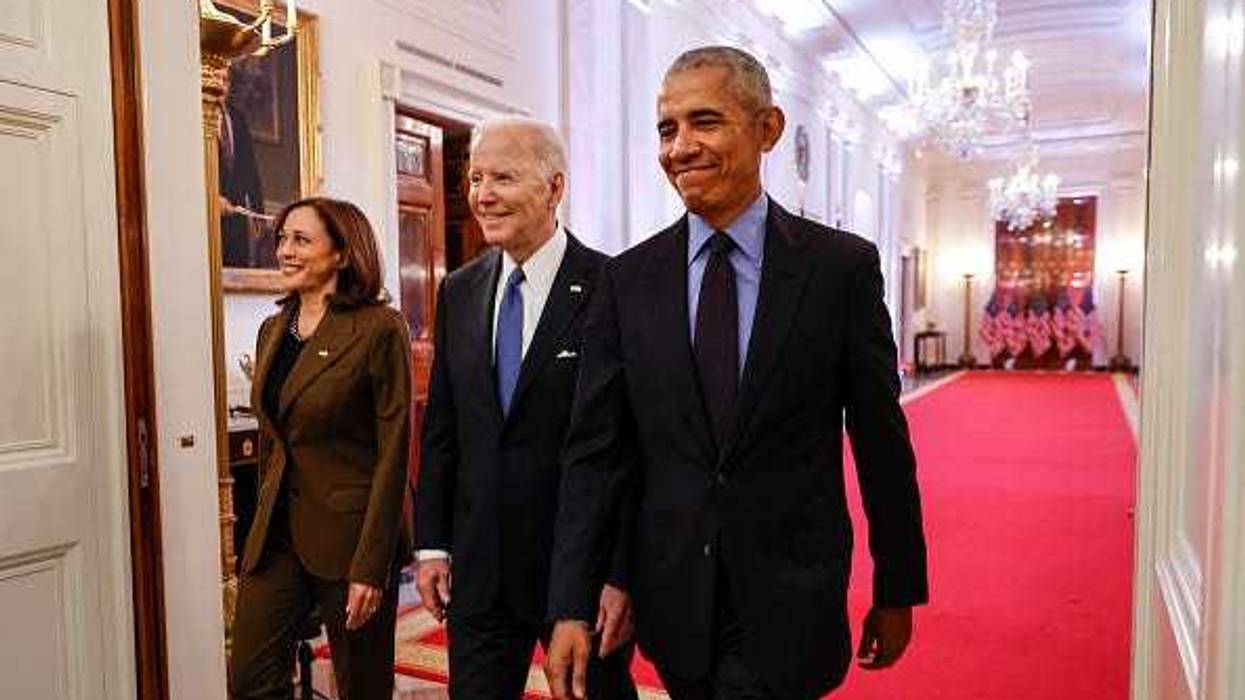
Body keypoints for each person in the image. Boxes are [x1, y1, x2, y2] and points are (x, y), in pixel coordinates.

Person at [544, 46, 929, 700]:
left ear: (767, 128)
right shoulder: (626, 282)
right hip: (674, 600)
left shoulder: (838, 269)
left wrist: (897, 585)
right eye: (666, 129)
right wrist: (571, 601)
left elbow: (879, 441)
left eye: (705, 122)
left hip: (791, 594)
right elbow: (596, 455)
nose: (680, 147)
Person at [414, 118, 639, 700]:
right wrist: (433, 544)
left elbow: (632, 450)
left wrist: (620, 574)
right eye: (476, 178)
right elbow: (443, 428)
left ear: (554, 188)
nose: (482, 195)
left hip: (579, 575)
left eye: (504, 178)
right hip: (481, 571)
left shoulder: (614, 287)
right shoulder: (459, 290)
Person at [229, 196, 413, 700]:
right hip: (277, 539)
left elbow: (393, 453)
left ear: (342, 253)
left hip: (350, 539)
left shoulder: (379, 329)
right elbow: (273, 442)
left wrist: (372, 566)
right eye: (282, 239)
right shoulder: (273, 329)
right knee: (249, 680)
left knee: (363, 687)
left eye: (301, 240)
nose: (285, 251)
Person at [219, 66, 267, 268]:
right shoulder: (192, 117)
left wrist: (258, 213)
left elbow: (251, 171)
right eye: (217, 78)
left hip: (236, 214)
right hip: (208, 215)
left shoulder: (237, 118)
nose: (221, 85)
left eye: (225, 80)